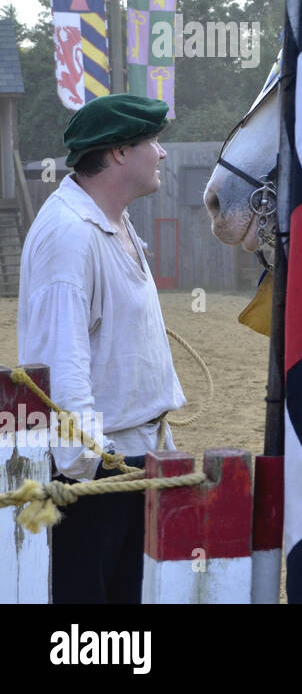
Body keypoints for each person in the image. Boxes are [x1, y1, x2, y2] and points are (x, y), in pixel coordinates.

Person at [17, 94, 186, 604]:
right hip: (95, 477)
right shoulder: (69, 235)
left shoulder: (111, 220)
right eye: (152, 142)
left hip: (133, 460)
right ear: (117, 153)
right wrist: (95, 469)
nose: (161, 154)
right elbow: (59, 368)